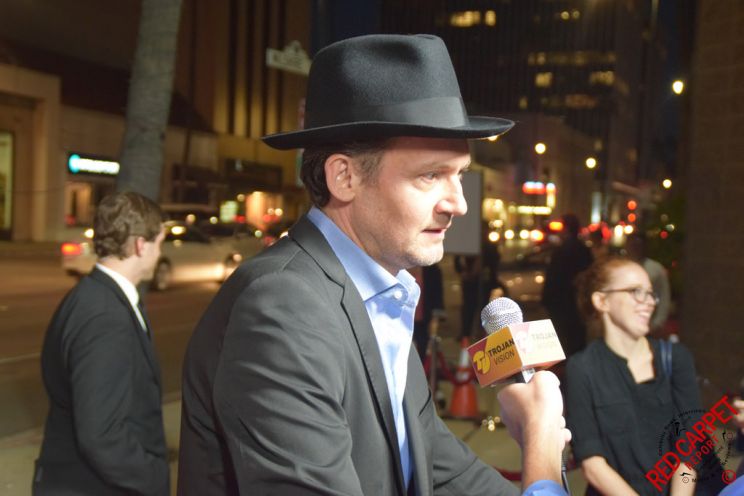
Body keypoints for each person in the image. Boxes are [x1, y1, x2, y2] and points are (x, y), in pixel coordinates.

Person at [178, 34, 570, 496]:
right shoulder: (285, 307)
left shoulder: (382, 294)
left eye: (460, 175)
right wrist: (541, 445)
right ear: (344, 177)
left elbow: (439, 468)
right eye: (430, 175)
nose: (459, 204)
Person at [33, 192, 169, 495]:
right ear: (140, 245)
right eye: (159, 243)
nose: (160, 253)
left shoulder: (91, 295)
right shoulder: (105, 317)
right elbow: (101, 435)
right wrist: (153, 478)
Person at [565, 256, 724, 496]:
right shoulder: (582, 368)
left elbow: (691, 448)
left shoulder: (676, 358)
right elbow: (592, 463)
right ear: (602, 301)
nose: (649, 302)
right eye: (636, 292)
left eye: (651, 293)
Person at [541, 212, 593, 357]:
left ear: (567, 229)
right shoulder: (583, 249)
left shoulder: (562, 250)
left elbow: (554, 278)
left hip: (561, 302)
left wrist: (546, 299)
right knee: (576, 340)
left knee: (563, 340)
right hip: (576, 303)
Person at [625, 233, 672, 333]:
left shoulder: (656, 269)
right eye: (632, 244)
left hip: (649, 324)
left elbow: (664, 296)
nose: (635, 248)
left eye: (638, 245)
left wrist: (657, 323)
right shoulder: (619, 269)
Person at [411, 263, 444, 361]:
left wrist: (435, 319)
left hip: (423, 320)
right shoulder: (396, 264)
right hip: (400, 319)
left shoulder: (432, 270)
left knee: (422, 351)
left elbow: (437, 296)